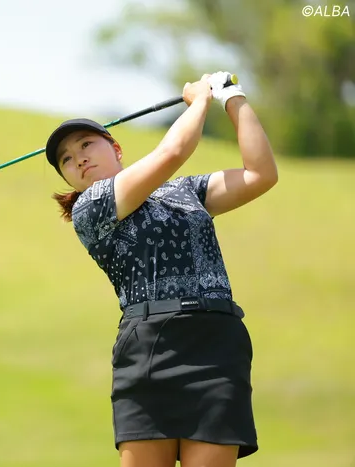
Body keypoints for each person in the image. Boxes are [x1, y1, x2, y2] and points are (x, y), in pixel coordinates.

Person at [44, 71, 278, 467]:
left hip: (217, 345)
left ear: (116, 148)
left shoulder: (183, 191)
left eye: (86, 144)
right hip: (150, 347)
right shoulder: (91, 207)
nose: (78, 157)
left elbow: (260, 174)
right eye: (66, 158)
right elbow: (172, 153)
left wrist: (231, 97)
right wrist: (199, 100)